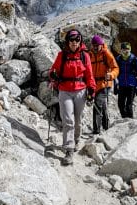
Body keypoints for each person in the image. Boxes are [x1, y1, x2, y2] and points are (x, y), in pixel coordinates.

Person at [49, 29, 96, 165]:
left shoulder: (84, 56)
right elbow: (53, 70)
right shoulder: (61, 55)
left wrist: (92, 90)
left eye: (77, 40)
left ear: (80, 40)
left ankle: (76, 139)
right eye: (71, 40)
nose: (74, 43)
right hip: (65, 91)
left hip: (81, 91)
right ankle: (69, 150)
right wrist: (53, 75)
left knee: (78, 120)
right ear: (67, 41)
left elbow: (89, 75)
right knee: (68, 120)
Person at [89, 35, 119, 134]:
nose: (95, 47)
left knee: (97, 104)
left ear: (101, 45)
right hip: (94, 84)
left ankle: (96, 130)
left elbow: (116, 68)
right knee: (103, 105)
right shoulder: (90, 55)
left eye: (97, 45)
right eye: (94, 45)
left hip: (105, 83)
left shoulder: (106, 54)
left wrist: (111, 75)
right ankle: (106, 127)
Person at [115, 42, 137, 119]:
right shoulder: (118, 60)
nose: (126, 51)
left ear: (130, 49)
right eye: (124, 49)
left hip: (132, 86)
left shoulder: (135, 60)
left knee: (129, 105)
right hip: (121, 85)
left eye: (128, 49)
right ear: (121, 50)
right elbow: (115, 73)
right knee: (120, 104)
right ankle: (125, 118)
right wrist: (115, 86)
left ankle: (130, 122)